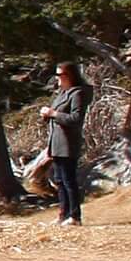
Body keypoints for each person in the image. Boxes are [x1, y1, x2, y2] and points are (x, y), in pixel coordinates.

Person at [39, 62, 90, 225]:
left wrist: (53, 113)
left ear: (70, 76)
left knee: (69, 180)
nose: (58, 78)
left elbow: (75, 118)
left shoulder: (78, 94)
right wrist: (47, 115)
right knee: (59, 180)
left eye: (60, 75)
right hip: (56, 143)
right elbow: (56, 116)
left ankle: (75, 216)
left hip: (68, 143)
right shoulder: (62, 93)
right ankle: (63, 214)